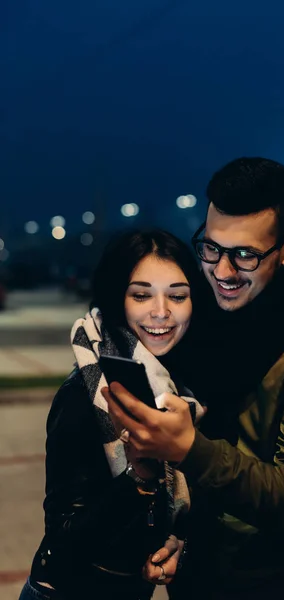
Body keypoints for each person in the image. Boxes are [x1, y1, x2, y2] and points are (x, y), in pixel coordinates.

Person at [103, 157, 284, 600]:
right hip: (196, 580)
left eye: (245, 254)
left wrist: (191, 450)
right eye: (211, 248)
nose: (222, 272)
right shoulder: (211, 317)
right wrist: (177, 537)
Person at [19, 229, 205, 600]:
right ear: (117, 298)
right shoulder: (85, 394)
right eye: (141, 294)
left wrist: (173, 545)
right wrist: (141, 475)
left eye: (177, 295)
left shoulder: (181, 387)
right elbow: (64, 542)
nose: (161, 311)